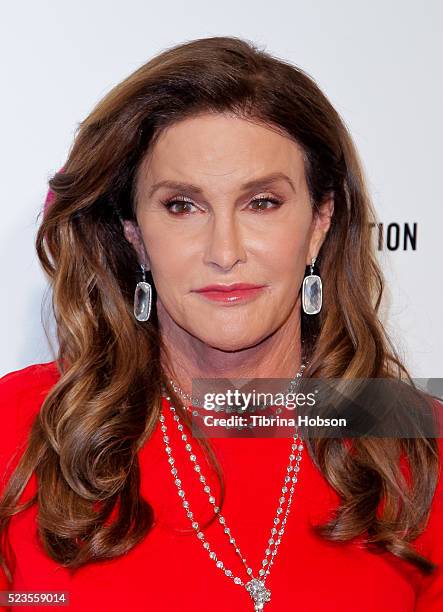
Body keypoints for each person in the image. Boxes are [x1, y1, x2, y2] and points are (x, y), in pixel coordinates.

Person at [0, 35, 442, 612]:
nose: (224, 250)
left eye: (262, 202)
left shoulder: (417, 443)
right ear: (135, 234)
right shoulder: (19, 428)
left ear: (319, 223)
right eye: (183, 206)